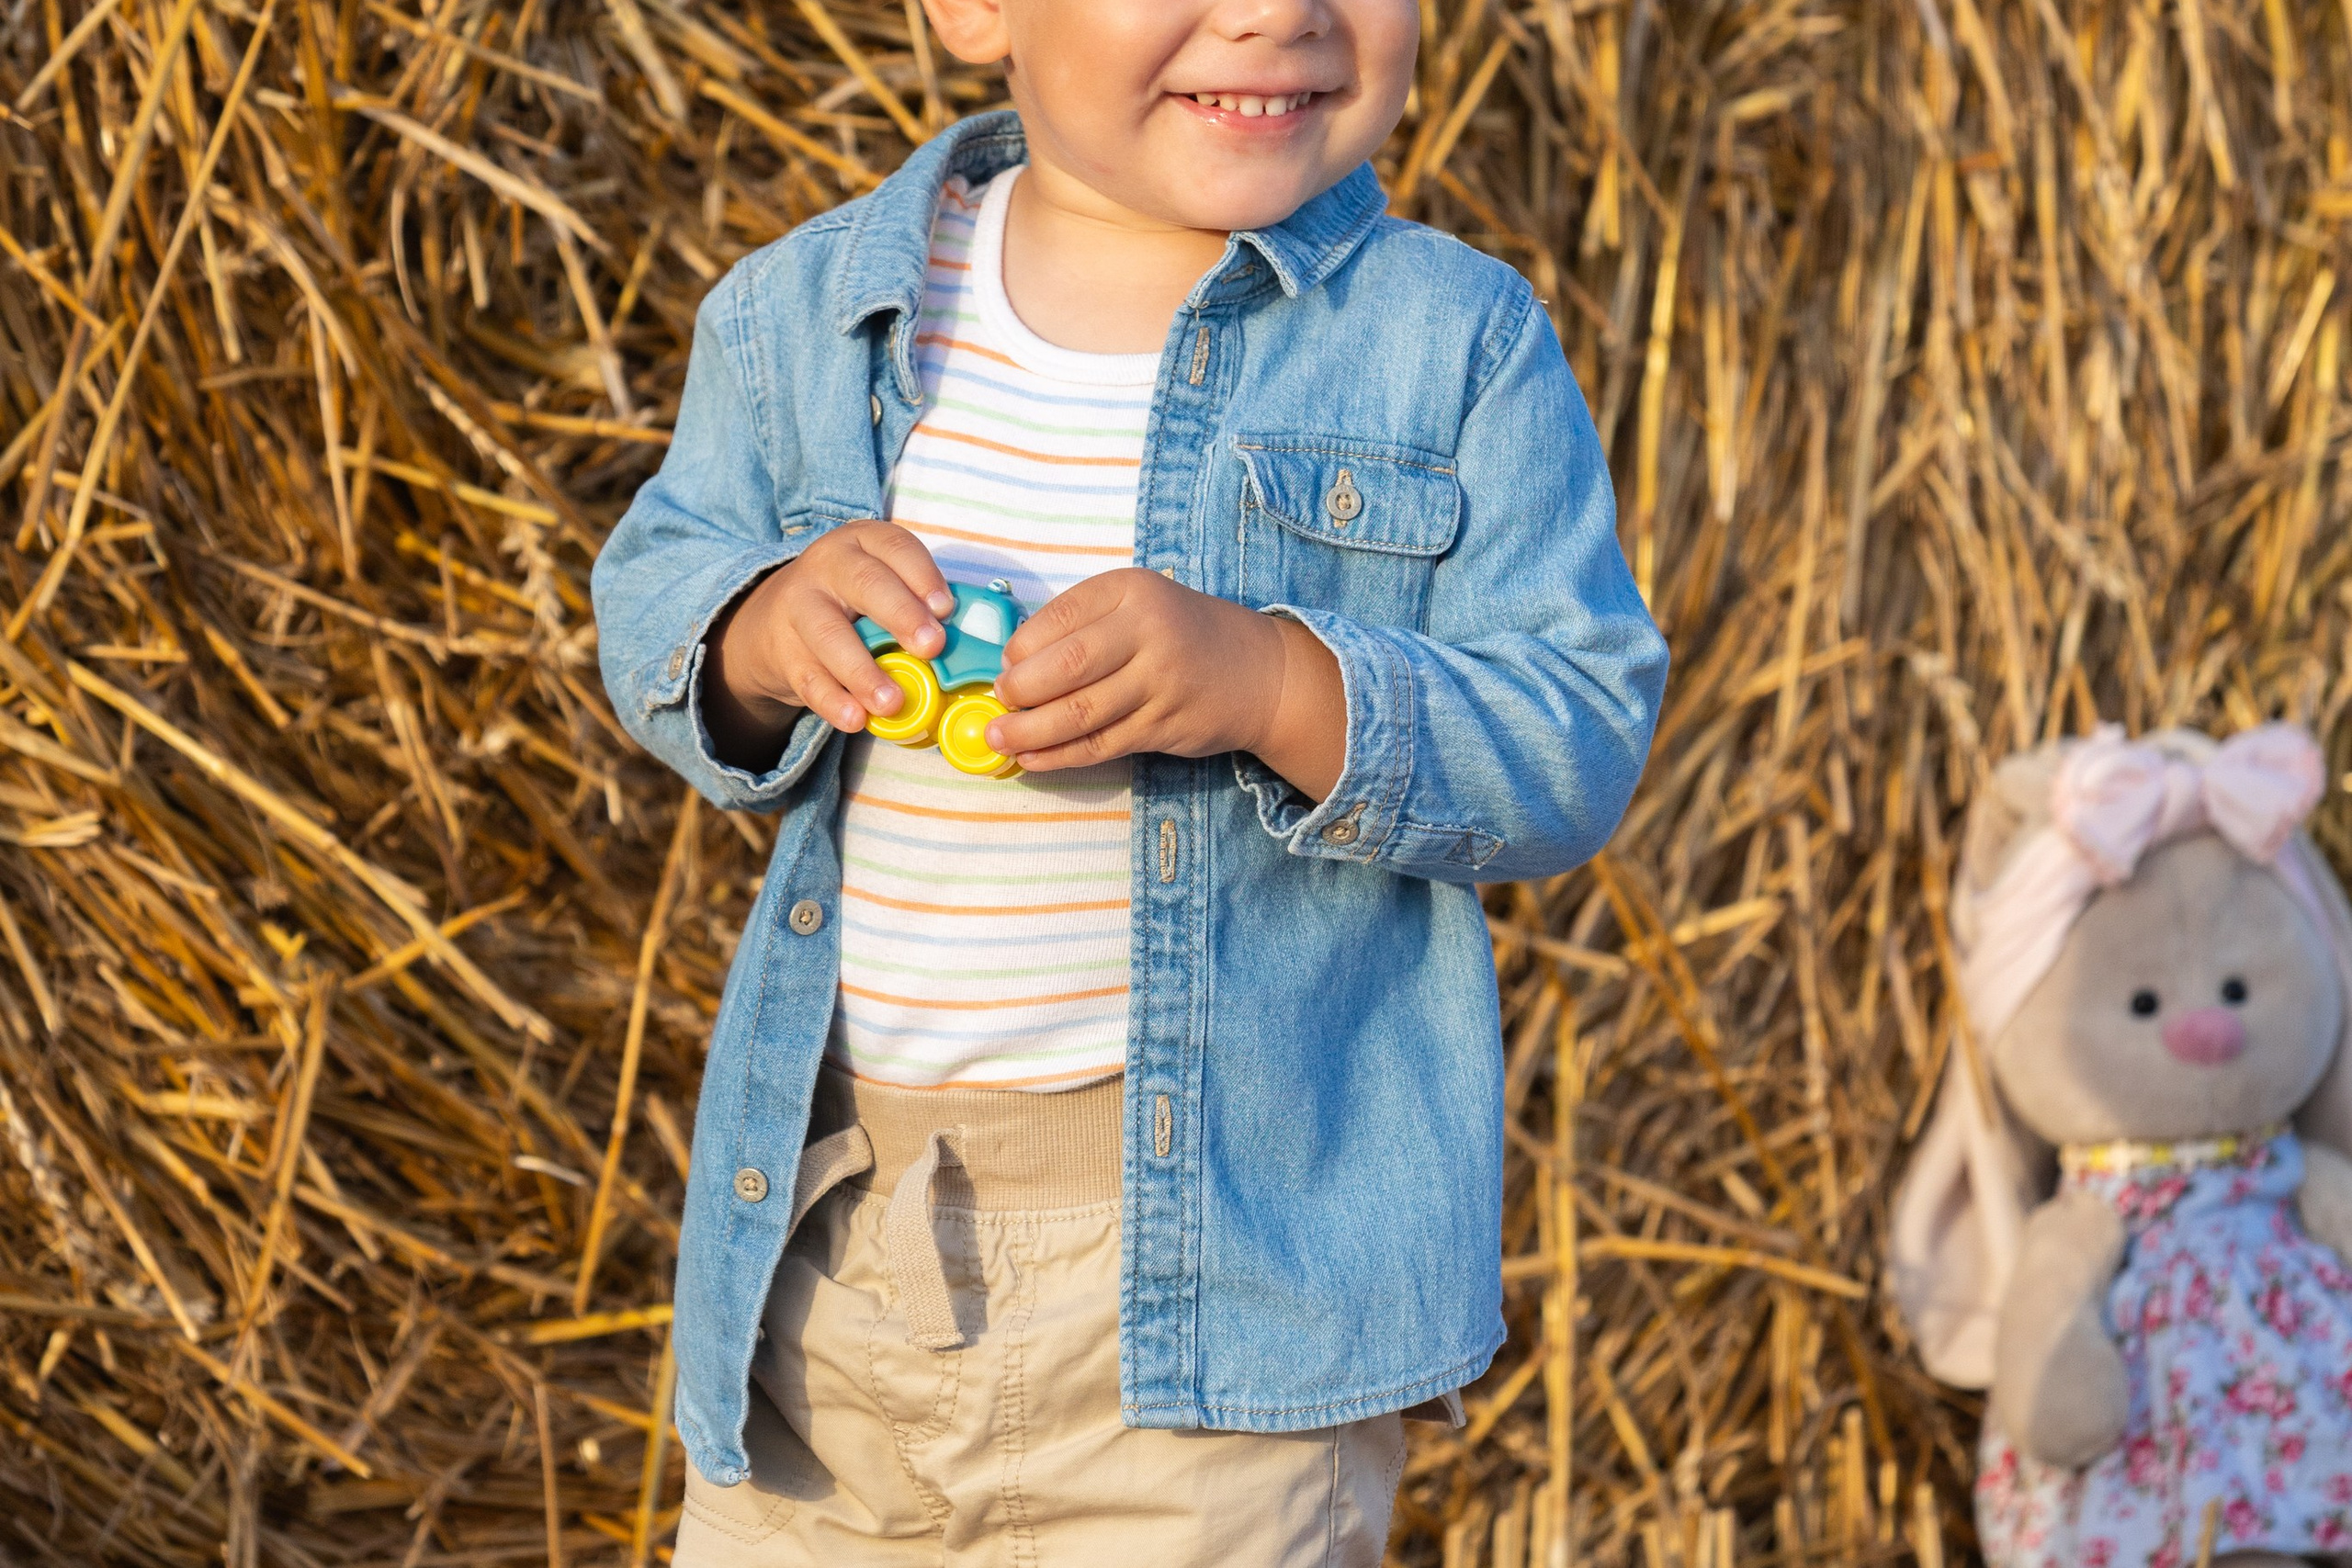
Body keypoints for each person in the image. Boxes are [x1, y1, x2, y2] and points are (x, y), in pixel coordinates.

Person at [592, 0, 1667, 1560]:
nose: (1278, 14)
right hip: (824, 1253)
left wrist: (1279, 684)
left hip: (1222, 1307)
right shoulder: (807, 313)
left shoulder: (1452, 343)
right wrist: (760, 632)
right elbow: (656, 586)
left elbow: (1573, 728)